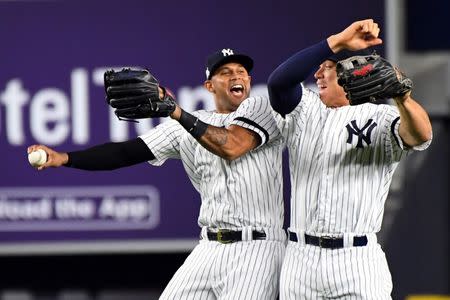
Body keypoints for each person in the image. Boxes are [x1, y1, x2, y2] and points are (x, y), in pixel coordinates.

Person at [28, 48, 286, 299]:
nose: (236, 76)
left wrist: (176, 112)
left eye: (241, 72)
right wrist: (64, 158)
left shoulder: (261, 109)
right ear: (209, 86)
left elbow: (231, 145)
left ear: (249, 81)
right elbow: (126, 153)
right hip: (209, 247)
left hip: (258, 248)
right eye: (225, 72)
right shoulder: (188, 125)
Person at [268, 19, 432, 299]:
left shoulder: (382, 116)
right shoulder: (305, 109)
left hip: (356, 260)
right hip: (300, 258)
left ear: (350, 73)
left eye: (327, 67)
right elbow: (278, 83)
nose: (317, 73)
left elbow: (421, 136)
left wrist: (402, 97)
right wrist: (336, 42)